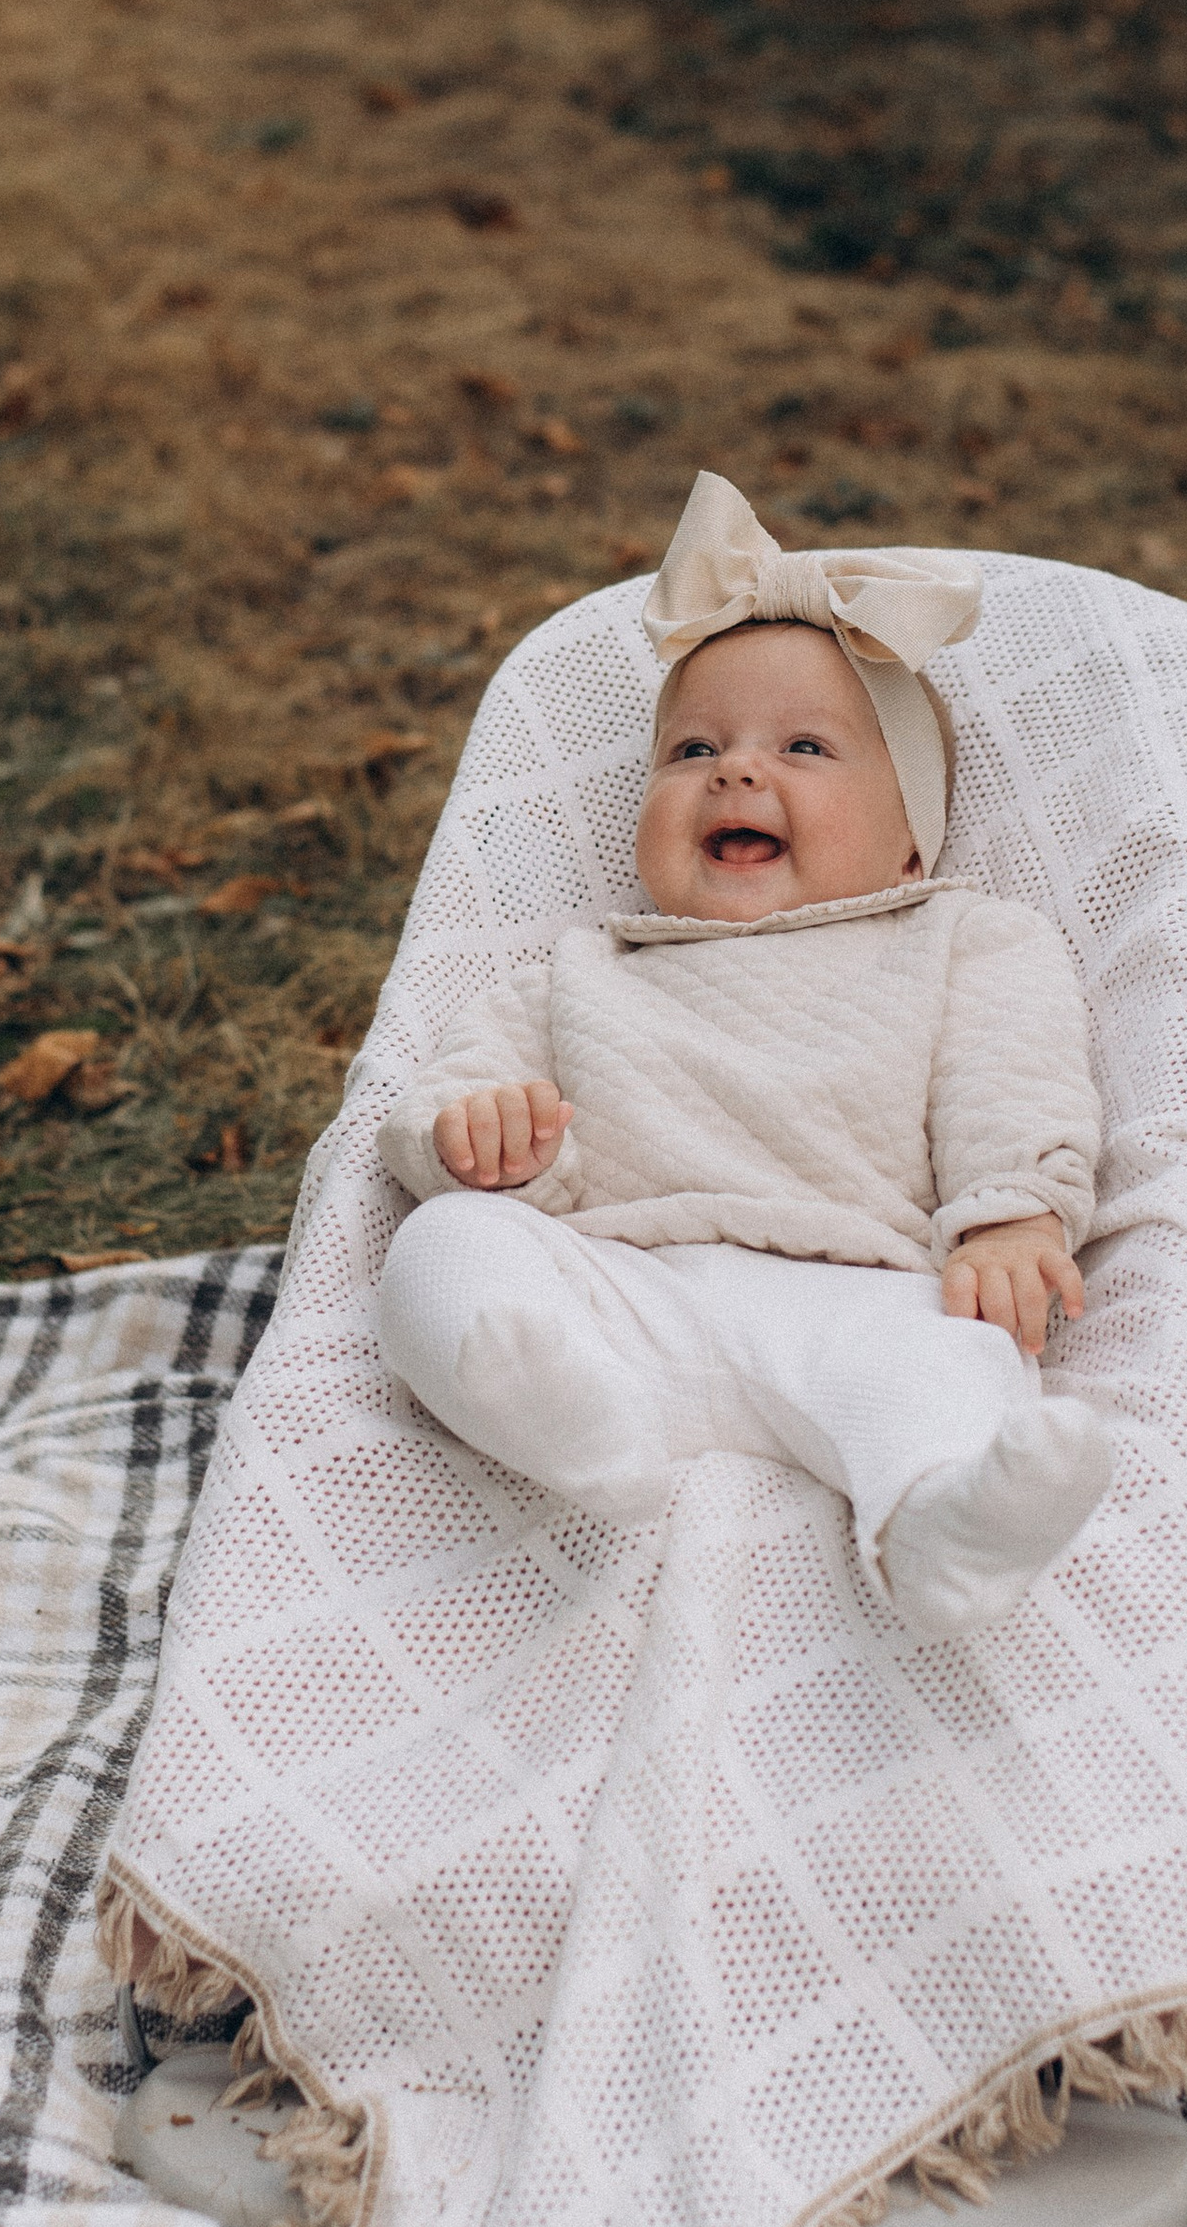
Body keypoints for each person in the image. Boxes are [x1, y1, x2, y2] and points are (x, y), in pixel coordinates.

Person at [373, 472, 1115, 1636]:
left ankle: (941, 1527)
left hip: (861, 1294)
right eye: (692, 748)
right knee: (442, 1246)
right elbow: (443, 1097)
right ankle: (564, 1419)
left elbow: (1012, 1079)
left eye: (805, 745)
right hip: (626, 1289)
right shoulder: (581, 967)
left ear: (912, 842)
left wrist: (1013, 1215)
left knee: (954, 1364)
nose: (734, 770)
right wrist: (476, 1142)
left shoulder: (960, 936)